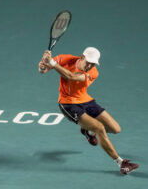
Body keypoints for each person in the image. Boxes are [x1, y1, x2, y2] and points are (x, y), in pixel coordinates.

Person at [38, 47, 139, 175]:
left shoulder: (93, 73)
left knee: (116, 129)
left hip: (85, 100)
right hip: (68, 104)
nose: (90, 65)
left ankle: (87, 130)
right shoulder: (66, 59)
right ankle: (121, 163)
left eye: (93, 63)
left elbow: (71, 76)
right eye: (88, 62)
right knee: (99, 128)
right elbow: (44, 70)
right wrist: (43, 65)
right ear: (81, 57)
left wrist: (52, 62)